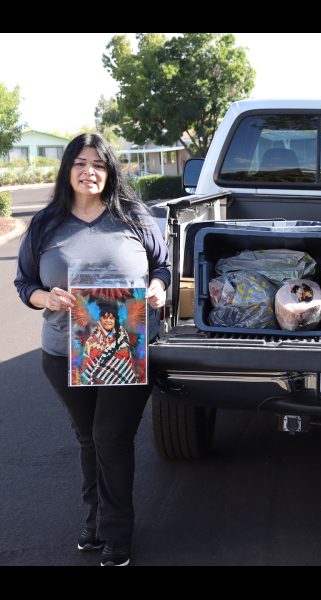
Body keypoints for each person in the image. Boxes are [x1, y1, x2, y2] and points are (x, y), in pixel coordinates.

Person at [14, 133, 170, 566]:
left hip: (126, 346)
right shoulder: (46, 224)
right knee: (88, 438)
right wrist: (46, 298)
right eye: (81, 163)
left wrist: (157, 288)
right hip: (64, 351)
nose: (90, 171)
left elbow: (162, 266)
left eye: (99, 164)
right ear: (68, 169)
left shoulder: (133, 216)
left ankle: (118, 531)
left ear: (110, 170)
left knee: (110, 436)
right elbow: (25, 282)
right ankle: (95, 518)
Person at [79, 301, 139, 386]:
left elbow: (128, 368)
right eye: (105, 317)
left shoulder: (123, 341)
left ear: (115, 320)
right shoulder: (91, 343)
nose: (108, 321)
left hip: (121, 385)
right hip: (92, 384)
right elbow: (85, 369)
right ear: (100, 319)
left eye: (111, 318)